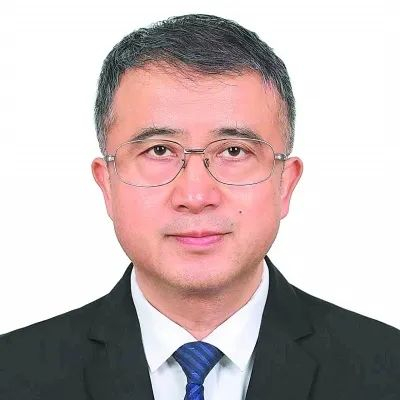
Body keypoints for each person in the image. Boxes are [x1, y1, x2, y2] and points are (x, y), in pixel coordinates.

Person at [0, 13, 399, 400]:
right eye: (159, 150)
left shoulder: (387, 369)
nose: (195, 196)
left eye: (233, 151)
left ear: (285, 184)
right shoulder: (13, 374)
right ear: (107, 183)